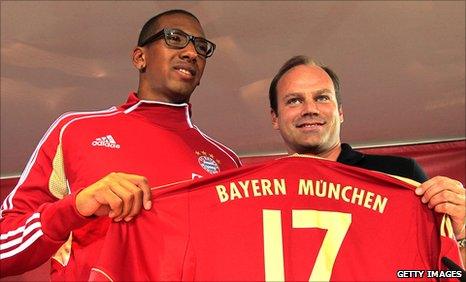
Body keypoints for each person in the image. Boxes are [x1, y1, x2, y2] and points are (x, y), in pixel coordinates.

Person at [0, 9, 241, 280]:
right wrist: (77, 206)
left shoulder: (227, 162)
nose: (191, 53)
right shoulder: (75, 131)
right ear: (140, 57)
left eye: (201, 47)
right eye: (175, 38)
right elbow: (4, 247)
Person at [269, 55, 466, 266]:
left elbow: (444, 273)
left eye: (322, 98)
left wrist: (462, 232)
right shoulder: (259, 191)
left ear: (340, 112)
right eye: (294, 100)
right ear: (275, 118)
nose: (310, 109)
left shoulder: (400, 175)